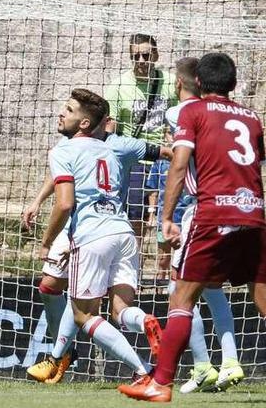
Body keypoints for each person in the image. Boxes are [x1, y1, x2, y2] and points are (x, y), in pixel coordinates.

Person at [121, 52, 265, 402]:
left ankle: (161, 383)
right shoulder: (252, 117)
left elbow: (180, 164)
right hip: (254, 213)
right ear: (233, 84)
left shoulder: (192, 111)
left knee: (182, 298)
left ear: (196, 83)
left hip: (212, 215)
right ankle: (208, 365)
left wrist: (166, 217)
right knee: (263, 300)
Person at [25, 114, 167, 383]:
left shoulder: (111, 144)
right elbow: (59, 176)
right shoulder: (86, 147)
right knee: (111, 308)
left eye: (69, 109)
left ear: (90, 121)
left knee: (79, 307)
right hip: (119, 229)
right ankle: (142, 326)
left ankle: (59, 357)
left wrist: (46, 242)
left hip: (85, 228)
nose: (62, 114)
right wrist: (37, 201)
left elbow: (65, 199)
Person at [152, 56, 243, 394]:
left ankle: (202, 364)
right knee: (214, 290)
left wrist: (167, 218)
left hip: (199, 209)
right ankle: (231, 361)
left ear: (179, 84)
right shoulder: (236, 115)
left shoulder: (181, 113)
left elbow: (178, 163)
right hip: (237, 208)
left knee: (179, 291)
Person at [102, 34, 177, 238]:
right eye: (136, 57)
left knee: (168, 220)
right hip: (136, 160)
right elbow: (110, 128)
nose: (141, 61)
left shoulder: (171, 83)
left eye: (146, 55)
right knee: (134, 218)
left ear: (156, 55)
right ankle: (136, 265)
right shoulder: (119, 86)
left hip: (166, 160)